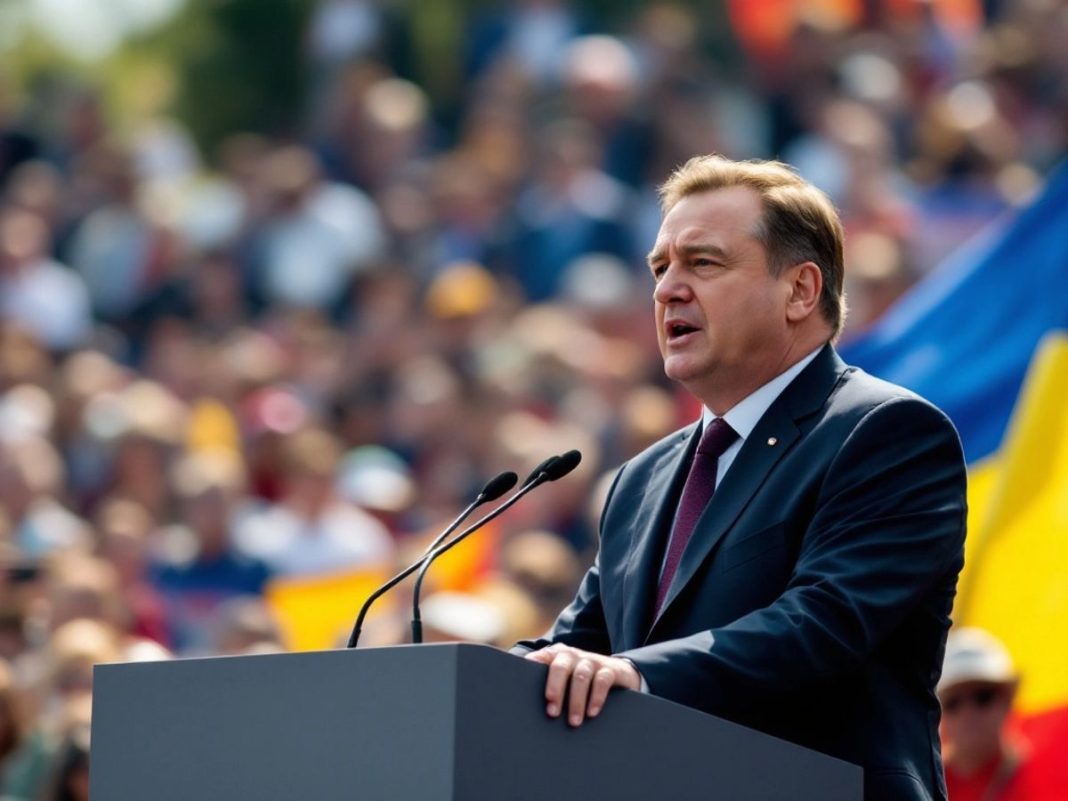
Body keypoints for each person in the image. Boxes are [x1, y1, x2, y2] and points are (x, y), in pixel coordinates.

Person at [515, 155, 968, 801]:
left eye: (703, 263)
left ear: (800, 290)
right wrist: (452, 680)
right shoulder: (639, 480)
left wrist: (631, 676)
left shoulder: (886, 432)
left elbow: (821, 624)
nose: (668, 288)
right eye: (660, 267)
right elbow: (577, 646)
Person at [939, 627, 1065, 801]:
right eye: (953, 703)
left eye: (983, 697)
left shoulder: (1051, 773)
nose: (968, 713)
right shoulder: (920, 781)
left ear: (1007, 701)